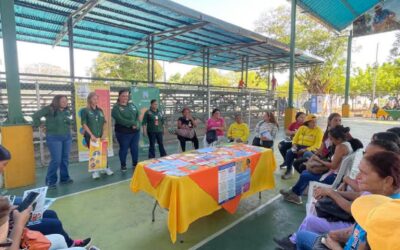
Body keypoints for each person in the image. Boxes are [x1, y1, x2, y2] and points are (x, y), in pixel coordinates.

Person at [294, 151, 400, 250]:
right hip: (346, 243)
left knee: (302, 237)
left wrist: (335, 247)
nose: (358, 177)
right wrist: (335, 235)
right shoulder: (376, 197)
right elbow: (356, 231)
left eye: (364, 173)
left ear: (387, 181)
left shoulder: (388, 217)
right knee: (303, 234)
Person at [0, 145, 91, 249]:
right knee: (54, 224)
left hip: (10, 223)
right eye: (4, 164)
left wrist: (9, 210)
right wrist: (19, 223)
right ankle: (71, 245)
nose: (4, 169)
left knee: (50, 214)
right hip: (12, 230)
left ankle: (70, 243)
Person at [280, 125, 353, 204]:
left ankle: (295, 195)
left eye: (332, 139)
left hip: (334, 178)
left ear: (339, 139)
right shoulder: (347, 144)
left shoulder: (340, 147)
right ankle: (295, 192)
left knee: (305, 174)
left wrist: (319, 161)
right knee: (305, 171)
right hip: (338, 175)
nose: (331, 141)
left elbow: (333, 166)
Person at [32, 95, 73, 189]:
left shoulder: (67, 111)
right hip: (54, 138)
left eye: (66, 101)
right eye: (62, 101)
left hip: (66, 137)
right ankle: (50, 181)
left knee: (65, 158)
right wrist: (41, 126)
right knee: (56, 160)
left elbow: (68, 122)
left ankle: (65, 178)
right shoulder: (49, 109)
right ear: (57, 101)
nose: (65, 102)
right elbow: (35, 116)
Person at [81, 92, 114, 179]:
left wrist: (104, 134)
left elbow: (104, 123)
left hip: (101, 136)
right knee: (94, 153)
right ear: (89, 100)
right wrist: (91, 135)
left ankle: (105, 167)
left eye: (97, 99)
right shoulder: (85, 110)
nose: (96, 101)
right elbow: (84, 124)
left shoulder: (100, 110)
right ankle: (95, 171)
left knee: (104, 152)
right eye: (94, 99)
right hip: (91, 137)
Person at [282, 114, 323, 180]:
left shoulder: (319, 131)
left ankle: (304, 173)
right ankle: (289, 171)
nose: (315, 123)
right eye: (312, 122)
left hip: (310, 149)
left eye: (315, 122)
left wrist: (306, 149)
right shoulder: (302, 128)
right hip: (299, 146)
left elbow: (317, 145)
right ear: (308, 123)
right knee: (290, 152)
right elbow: (295, 138)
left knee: (306, 154)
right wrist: (294, 145)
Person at [112, 89, 140, 172]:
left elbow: (138, 116)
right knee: (124, 149)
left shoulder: (132, 105)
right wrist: (133, 123)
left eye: (127, 96)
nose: (125, 98)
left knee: (135, 148)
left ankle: (135, 164)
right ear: (119, 96)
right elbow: (120, 120)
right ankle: (123, 165)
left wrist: (137, 124)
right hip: (123, 133)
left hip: (135, 132)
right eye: (123, 96)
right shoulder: (116, 108)